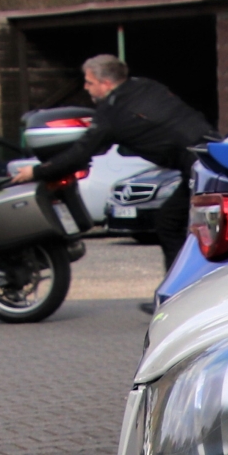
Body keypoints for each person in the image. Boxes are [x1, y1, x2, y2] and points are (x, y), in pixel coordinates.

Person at [26, 55, 213, 288]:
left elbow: (79, 153)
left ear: (106, 83)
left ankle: (179, 292)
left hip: (198, 167)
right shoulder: (147, 86)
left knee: (175, 225)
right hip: (210, 154)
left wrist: (36, 172)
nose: (85, 88)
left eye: (89, 82)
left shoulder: (112, 113)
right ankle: (181, 289)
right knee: (177, 223)